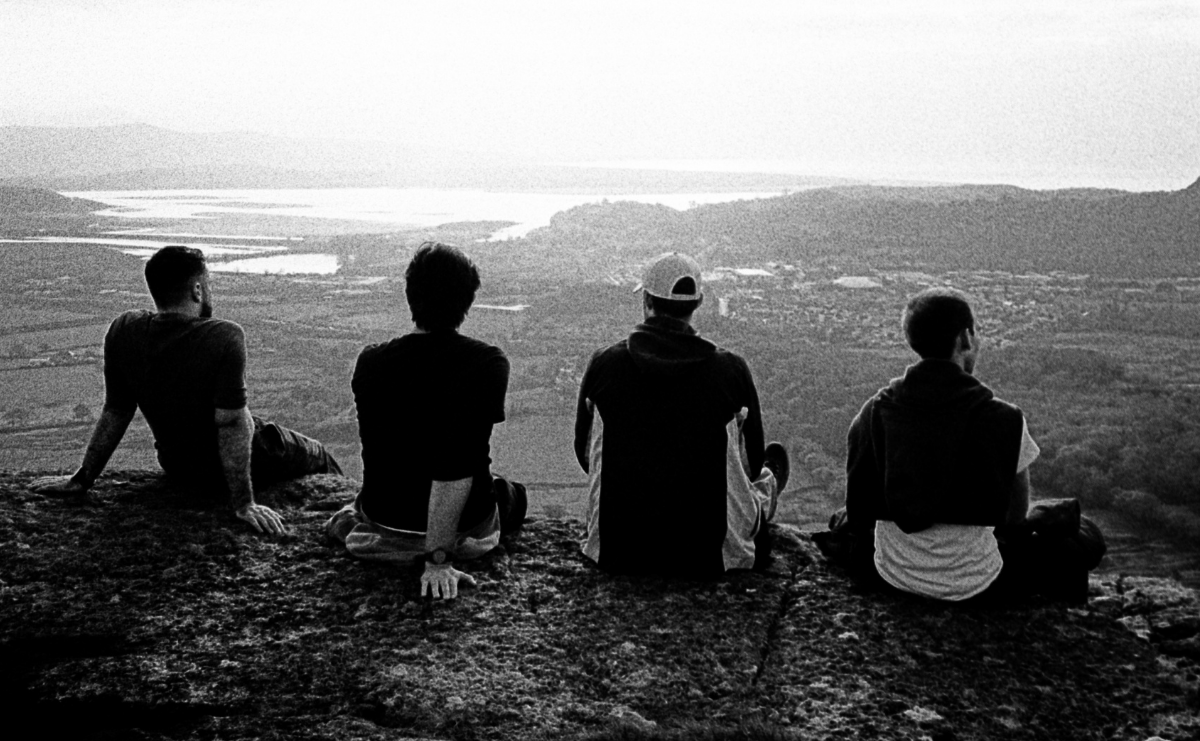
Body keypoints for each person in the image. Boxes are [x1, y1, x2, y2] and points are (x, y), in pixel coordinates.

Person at [33, 245, 342, 535]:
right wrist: (243, 504)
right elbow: (231, 422)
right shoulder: (224, 336)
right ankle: (348, 510)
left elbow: (117, 410)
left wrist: (83, 479)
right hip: (251, 457)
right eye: (207, 284)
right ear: (197, 289)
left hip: (178, 465)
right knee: (318, 453)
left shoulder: (123, 329)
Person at [828, 287, 1104, 602]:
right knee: (1084, 535)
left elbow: (858, 507)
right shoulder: (1005, 419)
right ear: (965, 339)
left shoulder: (874, 412)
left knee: (840, 520)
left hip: (892, 574)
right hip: (979, 582)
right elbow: (1014, 519)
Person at [326, 242, 526, 600]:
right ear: (468, 300)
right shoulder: (487, 363)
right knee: (512, 495)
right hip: (462, 529)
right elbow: (457, 463)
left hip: (384, 518)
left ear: (410, 296)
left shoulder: (371, 361)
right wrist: (437, 559)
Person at [574, 251, 789, 577]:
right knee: (760, 477)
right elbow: (751, 463)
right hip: (707, 556)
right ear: (698, 303)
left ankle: (765, 489)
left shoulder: (604, 366)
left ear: (646, 301)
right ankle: (767, 490)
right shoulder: (730, 371)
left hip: (619, 550)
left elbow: (585, 455)